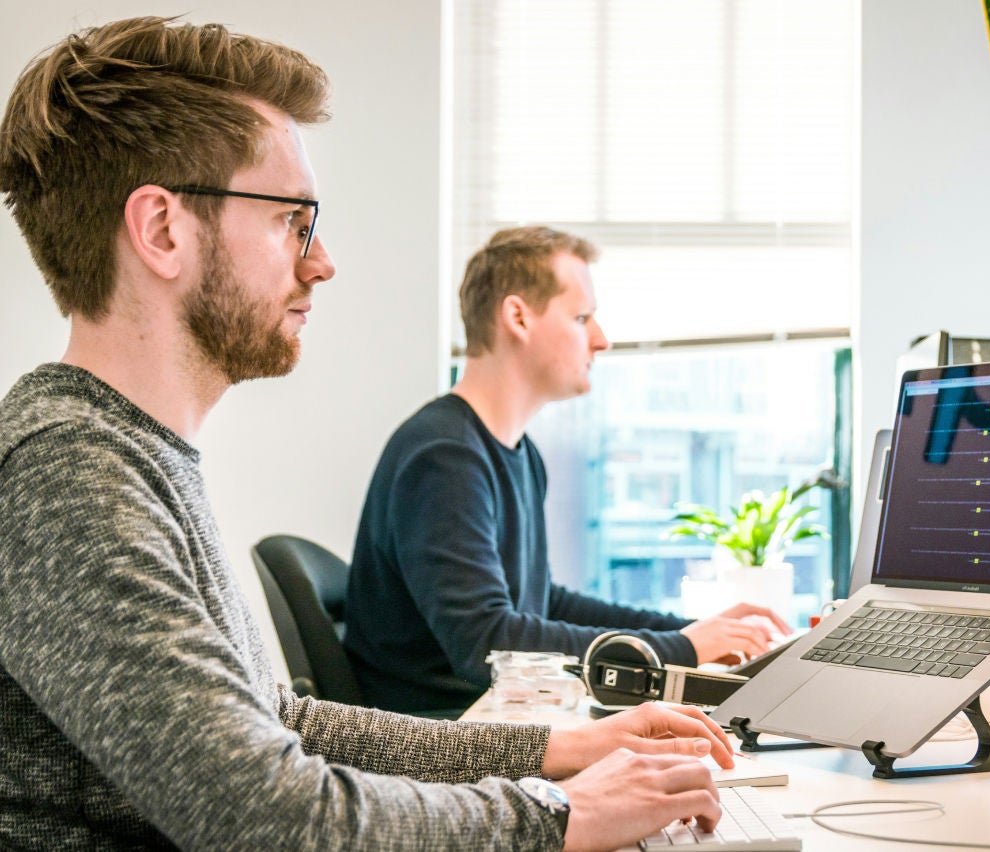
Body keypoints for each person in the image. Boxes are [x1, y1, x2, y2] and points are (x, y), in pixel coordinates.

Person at [0, 17, 735, 850]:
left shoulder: (130, 455)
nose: (321, 262)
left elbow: (278, 722)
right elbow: (266, 816)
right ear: (163, 230)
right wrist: (566, 814)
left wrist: (560, 749)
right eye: (292, 221)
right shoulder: (66, 473)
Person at [344, 226, 791, 716]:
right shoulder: (443, 457)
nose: (601, 340)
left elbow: (542, 604)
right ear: (517, 317)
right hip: (443, 738)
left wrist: (687, 632)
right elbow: (487, 645)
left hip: (495, 719)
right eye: (582, 318)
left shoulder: (516, 453)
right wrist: (681, 650)